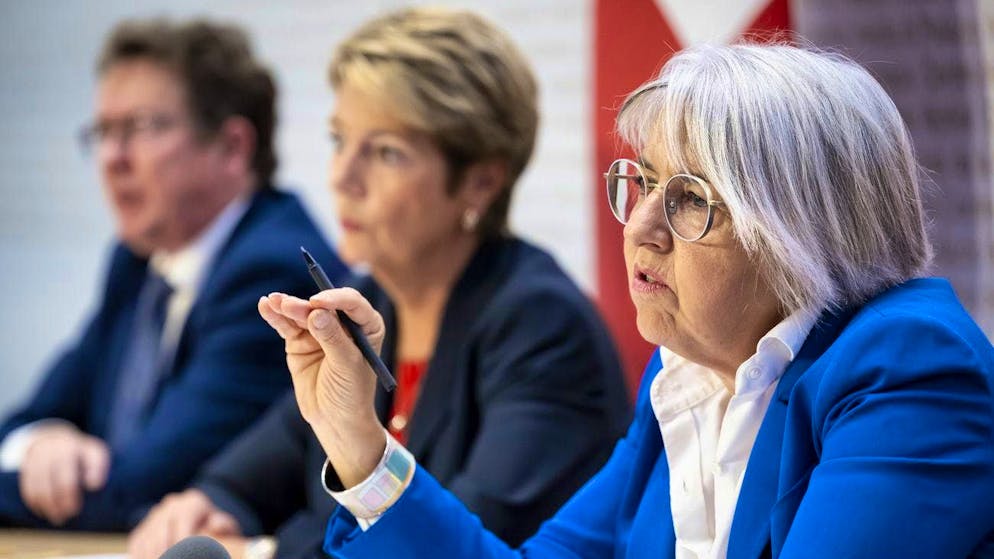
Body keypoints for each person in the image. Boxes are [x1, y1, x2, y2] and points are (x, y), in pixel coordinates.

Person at [260, 42, 994, 559]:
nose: (640, 228)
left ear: (800, 231)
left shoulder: (907, 367)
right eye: (641, 182)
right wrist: (357, 441)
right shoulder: (683, 376)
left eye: (690, 200)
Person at [128, 8, 631, 559]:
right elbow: (245, 477)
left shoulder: (540, 326)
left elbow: (453, 540)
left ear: (481, 181)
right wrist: (204, 506)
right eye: (340, 140)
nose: (341, 177)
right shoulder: (369, 301)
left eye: (386, 152)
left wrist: (265, 549)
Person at [0, 18, 345, 531]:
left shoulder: (271, 274)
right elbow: (36, 412)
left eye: (142, 128)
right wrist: (42, 443)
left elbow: (139, 489)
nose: (112, 159)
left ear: (232, 147)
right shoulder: (138, 261)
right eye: (103, 133)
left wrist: (30, 470)